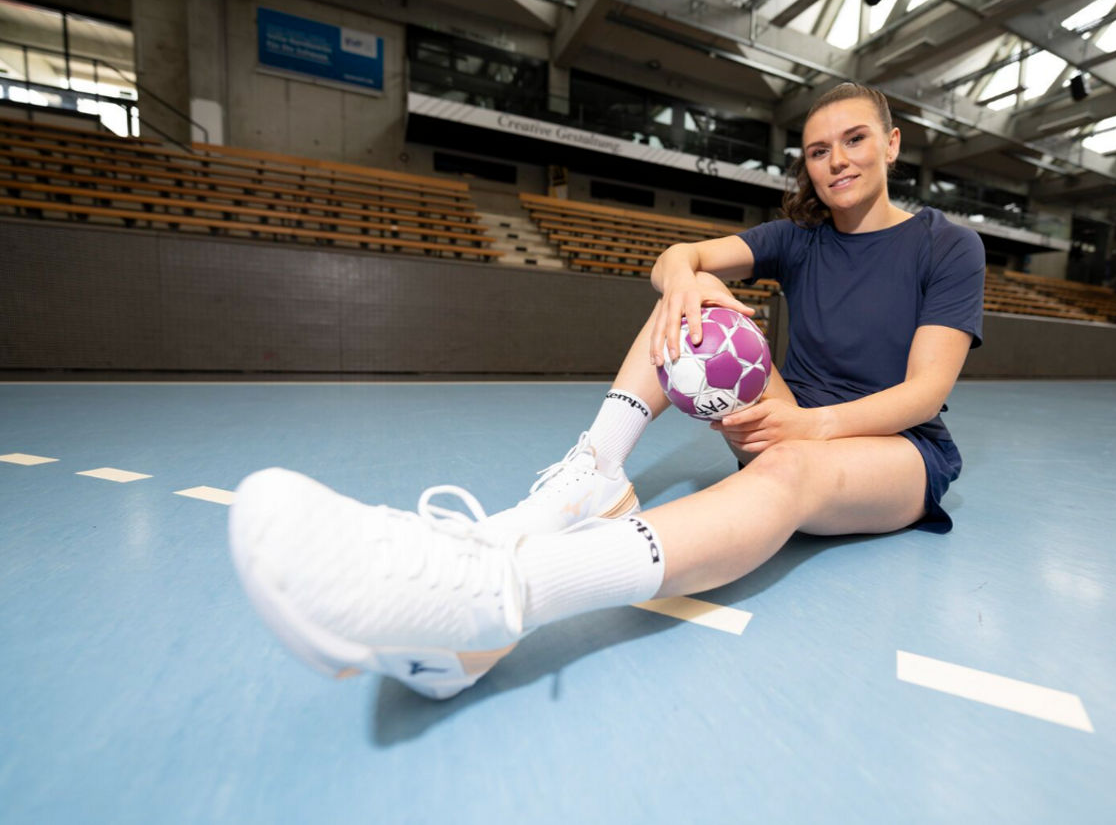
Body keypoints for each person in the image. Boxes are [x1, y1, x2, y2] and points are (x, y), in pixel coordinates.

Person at [228, 83, 986, 700]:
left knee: (789, 471)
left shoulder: (946, 245)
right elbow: (674, 257)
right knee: (686, 304)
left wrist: (803, 428)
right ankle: (591, 479)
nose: (837, 162)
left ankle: (504, 594)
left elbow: (925, 392)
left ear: (891, 144)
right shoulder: (799, 239)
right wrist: (689, 284)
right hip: (782, 422)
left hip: (891, 453)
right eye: (818, 151)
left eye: (855, 140)